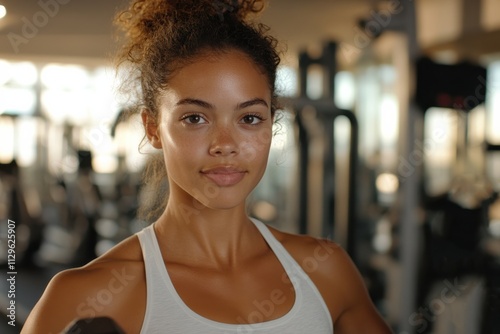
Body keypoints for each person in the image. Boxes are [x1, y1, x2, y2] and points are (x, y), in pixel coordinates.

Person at [21, 0, 393, 333]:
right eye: (195, 118)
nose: (226, 146)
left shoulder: (324, 270)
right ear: (153, 128)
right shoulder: (88, 296)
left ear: (271, 124)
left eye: (249, 119)